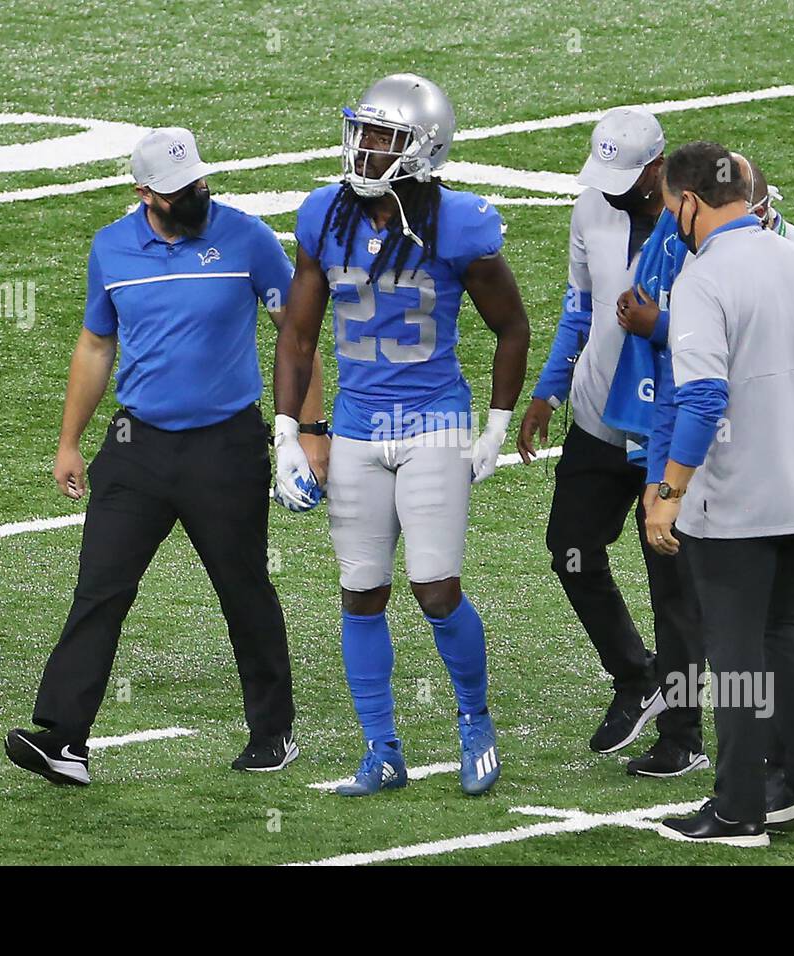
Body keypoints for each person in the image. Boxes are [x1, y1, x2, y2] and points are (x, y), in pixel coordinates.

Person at [4, 127, 328, 786]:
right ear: (144, 192)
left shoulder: (247, 240)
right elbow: (96, 347)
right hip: (136, 448)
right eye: (181, 189)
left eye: (200, 182)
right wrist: (69, 441)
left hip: (226, 446)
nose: (197, 195)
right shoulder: (112, 248)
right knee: (100, 589)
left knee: (244, 592)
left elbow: (296, 337)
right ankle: (64, 740)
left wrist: (312, 432)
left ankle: (273, 732)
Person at [272, 74, 530, 797]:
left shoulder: (460, 224)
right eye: (363, 132)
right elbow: (297, 336)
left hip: (433, 422)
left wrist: (496, 426)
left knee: (435, 586)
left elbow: (511, 326)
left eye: (384, 138)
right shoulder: (324, 215)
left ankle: (475, 721)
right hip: (355, 427)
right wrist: (288, 430)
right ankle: (382, 750)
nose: (365, 148)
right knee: (360, 591)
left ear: (425, 148)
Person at [645, 141, 794, 846]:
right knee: (785, 633)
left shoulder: (706, 278)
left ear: (689, 202)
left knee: (734, 654)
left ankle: (739, 810)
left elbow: (702, 396)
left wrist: (670, 489)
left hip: (735, 497)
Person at [515, 107, 704, 767]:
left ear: (659, 165)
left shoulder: (700, 222)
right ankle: (634, 674)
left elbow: (726, 328)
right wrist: (549, 388)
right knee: (570, 548)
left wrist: (659, 324)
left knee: (672, 584)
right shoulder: (591, 208)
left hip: (668, 427)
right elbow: (578, 304)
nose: (616, 186)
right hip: (598, 415)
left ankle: (683, 737)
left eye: (630, 174)